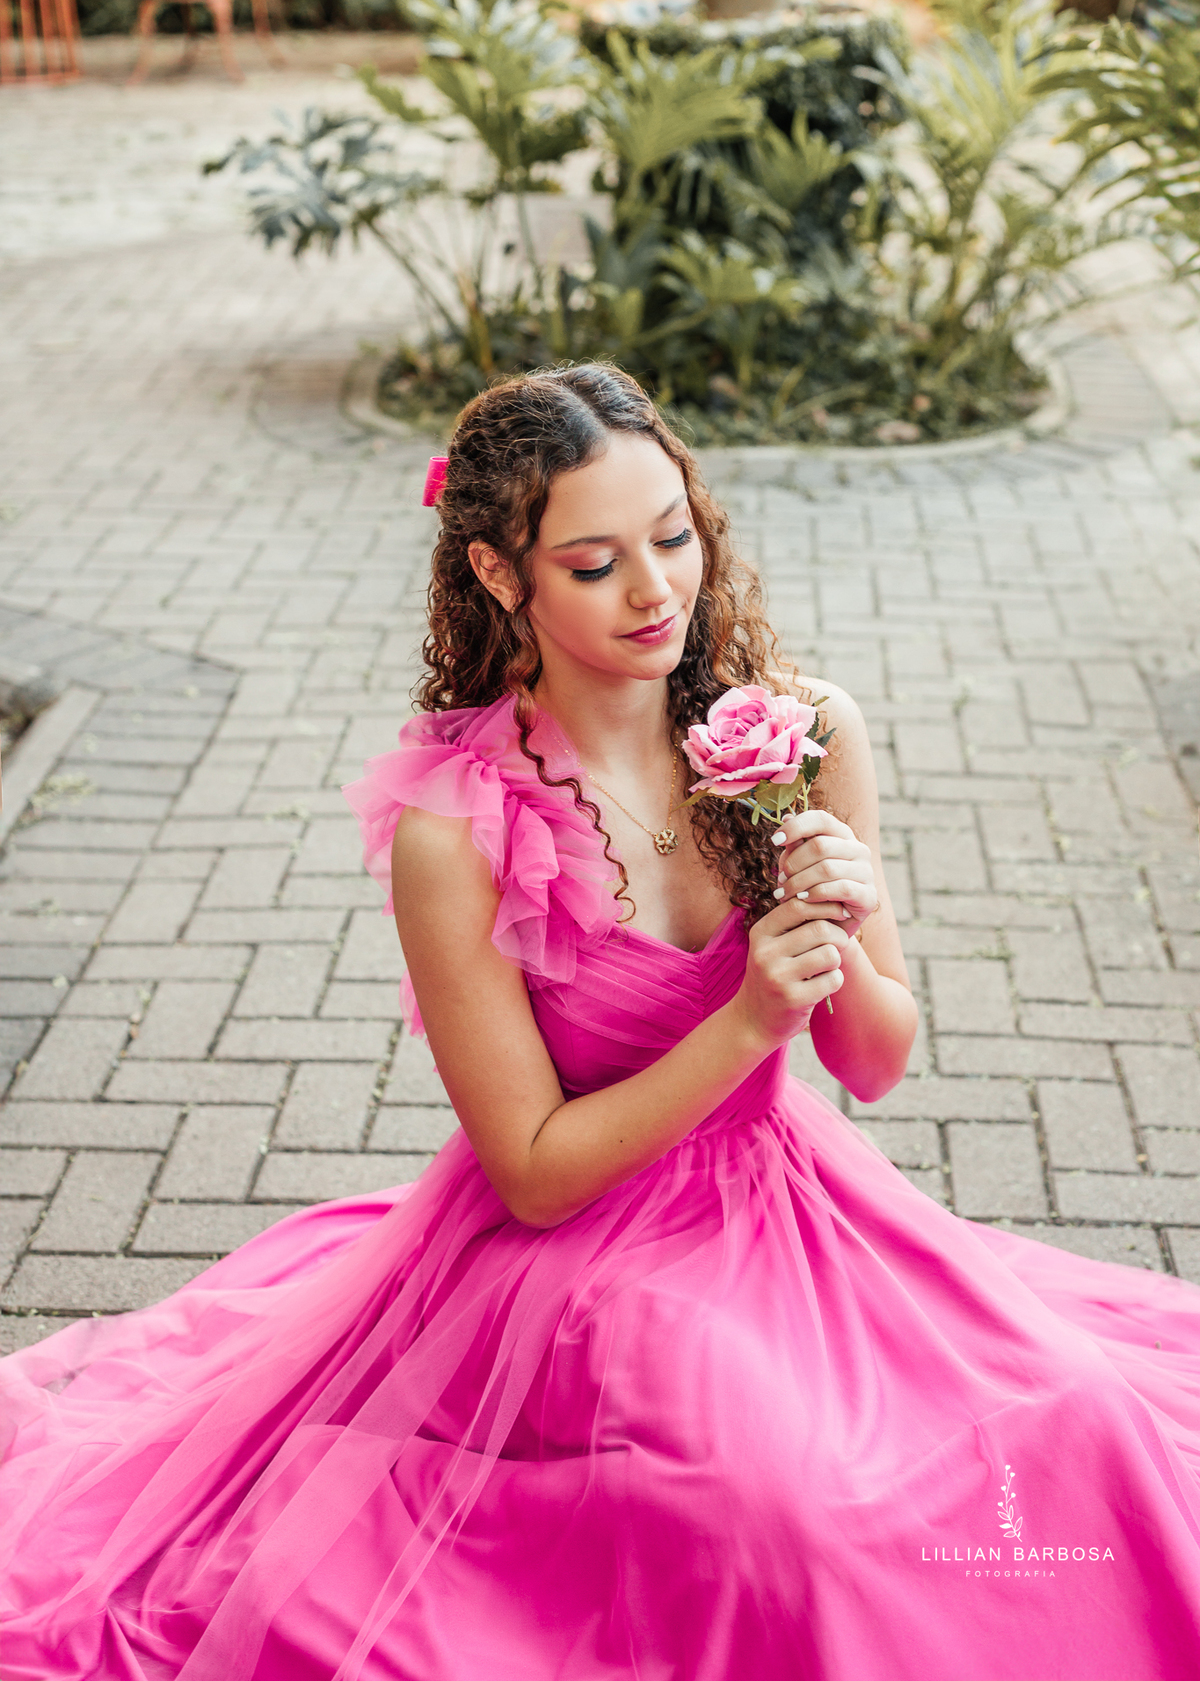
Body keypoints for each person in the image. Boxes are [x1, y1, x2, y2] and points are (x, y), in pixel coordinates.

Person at [2, 364, 1200, 1681]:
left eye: (674, 537)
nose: (657, 593)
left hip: (797, 1204)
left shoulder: (799, 732)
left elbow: (874, 1060)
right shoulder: (455, 826)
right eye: (594, 563)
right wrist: (746, 1022)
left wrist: (840, 929)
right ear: (501, 576)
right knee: (783, 1512)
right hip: (588, 1250)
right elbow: (530, 1170)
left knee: (1076, 1416)